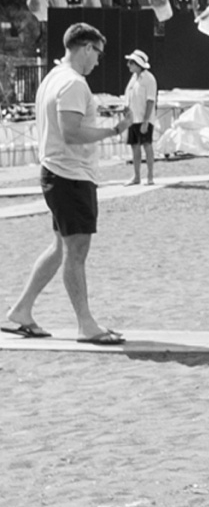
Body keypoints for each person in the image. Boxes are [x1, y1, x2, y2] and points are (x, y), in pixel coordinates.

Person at [3, 24, 123, 345]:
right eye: (97, 53)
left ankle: (21, 311)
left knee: (61, 248)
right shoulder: (72, 83)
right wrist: (113, 131)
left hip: (58, 173)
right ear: (85, 48)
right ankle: (85, 324)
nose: (98, 60)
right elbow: (71, 133)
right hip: (70, 175)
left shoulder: (53, 78)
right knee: (76, 252)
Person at [124, 48, 158, 187]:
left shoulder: (149, 79)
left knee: (147, 145)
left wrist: (145, 121)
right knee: (135, 147)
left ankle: (150, 176)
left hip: (144, 119)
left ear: (138, 64)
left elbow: (150, 101)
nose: (129, 65)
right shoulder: (133, 79)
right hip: (133, 118)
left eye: (131, 62)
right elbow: (129, 96)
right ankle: (136, 176)